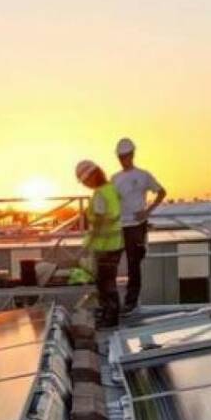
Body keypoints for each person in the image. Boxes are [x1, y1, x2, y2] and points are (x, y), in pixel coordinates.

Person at [111, 137, 167, 314]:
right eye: (120, 157)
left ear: (132, 154)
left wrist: (147, 212)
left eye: (125, 156)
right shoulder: (115, 178)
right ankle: (112, 302)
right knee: (111, 263)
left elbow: (161, 192)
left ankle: (131, 302)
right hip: (119, 226)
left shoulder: (143, 175)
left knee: (133, 265)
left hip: (136, 226)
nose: (123, 159)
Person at [74, 159, 124, 328]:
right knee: (108, 281)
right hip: (115, 243)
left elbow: (100, 223)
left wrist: (88, 246)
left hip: (105, 246)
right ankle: (110, 315)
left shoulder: (100, 194)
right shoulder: (111, 189)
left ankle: (110, 318)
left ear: (92, 176)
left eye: (85, 181)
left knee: (105, 283)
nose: (85, 185)